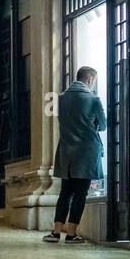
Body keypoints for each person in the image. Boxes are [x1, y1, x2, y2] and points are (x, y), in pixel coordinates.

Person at [44, 68, 106, 245]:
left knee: (65, 192)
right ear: (90, 79)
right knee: (80, 193)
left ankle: (56, 232)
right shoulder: (93, 100)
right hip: (87, 152)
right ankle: (71, 233)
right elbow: (103, 125)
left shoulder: (60, 99)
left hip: (66, 152)